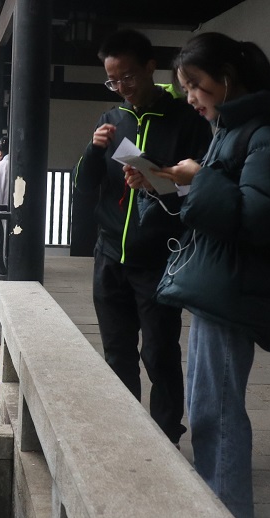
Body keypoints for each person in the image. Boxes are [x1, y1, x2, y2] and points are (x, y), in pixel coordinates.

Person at [149, 32, 270, 518]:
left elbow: (259, 220)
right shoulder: (233, 130)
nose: (190, 97)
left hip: (233, 290)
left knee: (217, 409)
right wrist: (177, 181)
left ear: (227, 78)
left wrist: (200, 178)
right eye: (185, 88)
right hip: (219, 286)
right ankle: (219, 511)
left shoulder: (266, 137)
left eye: (195, 84)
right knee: (207, 405)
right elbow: (223, 205)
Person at [71, 29, 211, 446]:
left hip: (158, 259)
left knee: (159, 352)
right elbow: (83, 184)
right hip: (110, 255)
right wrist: (94, 150)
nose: (121, 87)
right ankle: (126, 434)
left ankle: (166, 437)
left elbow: (200, 190)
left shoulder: (186, 120)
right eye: (112, 80)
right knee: (117, 352)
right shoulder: (112, 120)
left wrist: (156, 181)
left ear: (151, 68)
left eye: (128, 76)